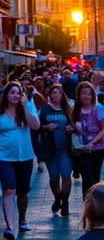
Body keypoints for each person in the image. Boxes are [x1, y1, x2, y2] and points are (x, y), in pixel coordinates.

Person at [0, 80, 40, 240]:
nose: (16, 95)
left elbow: (36, 126)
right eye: (13, 92)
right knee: (9, 190)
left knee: (23, 192)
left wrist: (24, 107)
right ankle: (9, 227)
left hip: (25, 156)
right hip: (4, 157)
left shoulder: (28, 108)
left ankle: (22, 220)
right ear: (6, 95)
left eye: (19, 93)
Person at [39, 82, 74, 216]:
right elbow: (38, 126)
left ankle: (65, 202)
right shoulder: (45, 109)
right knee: (54, 178)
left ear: (62, 94)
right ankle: (57, 198)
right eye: (54, 93)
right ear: (50, 95)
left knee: (66, 175)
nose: (56, 95)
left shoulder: (67, 108)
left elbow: (74, 125)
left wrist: (71, 128)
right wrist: (46, 127)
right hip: (50, 149)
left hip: (65, 148)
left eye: (59, 93)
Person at [72, 81, 104, 198]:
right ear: (79, 95)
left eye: (89, 93)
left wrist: (92, 143)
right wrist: (71, 128)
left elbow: (103, 129)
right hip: (81, 150)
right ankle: (86, 208)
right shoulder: (75, 109)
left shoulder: (98, 108)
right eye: (83, 93)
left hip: (97, 148)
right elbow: (75, 129)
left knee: (95, 177)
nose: (86, 96)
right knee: (86, 177)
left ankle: (96, 207)